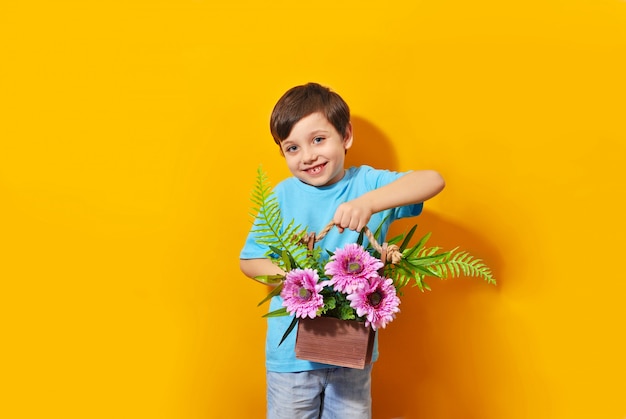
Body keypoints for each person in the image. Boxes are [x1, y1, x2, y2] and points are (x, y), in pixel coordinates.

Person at [239, 82, 445, 419]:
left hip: (351, 354)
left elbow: (433, 180)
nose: (308, 156)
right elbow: (250, 260)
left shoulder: (366, 183)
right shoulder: (281, 196)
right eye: (292, 148)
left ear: (345, 136)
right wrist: (293, 282)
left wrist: (369, 202)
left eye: (318, 140)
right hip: (291, 359)